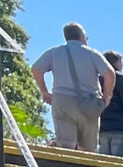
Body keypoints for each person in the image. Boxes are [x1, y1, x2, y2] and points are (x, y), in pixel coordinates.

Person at [31, 22, 114, 153]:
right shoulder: (93, 54)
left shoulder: (54, 52)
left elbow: (36, 68)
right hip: (89, 102)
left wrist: (44, 91)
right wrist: (107, 96)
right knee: (88, 148)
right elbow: (109, 73)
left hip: (63, 101)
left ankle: (66, 165)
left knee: (65, 145)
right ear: (81, 36)